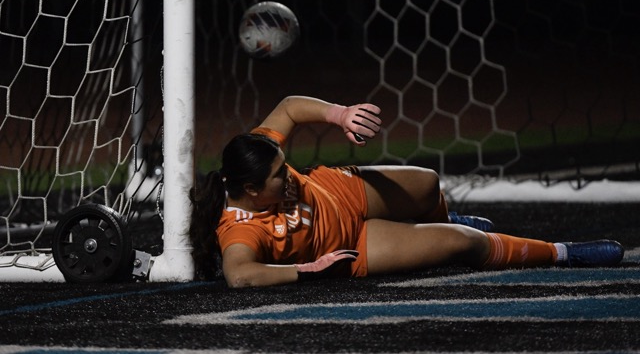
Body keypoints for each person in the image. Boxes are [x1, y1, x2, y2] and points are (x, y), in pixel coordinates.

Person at [189, 96, 624, 287]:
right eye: (278, 177)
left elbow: (288, 107)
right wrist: (309, 270)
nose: (287, 176)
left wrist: (341, 115)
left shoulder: (255, 154)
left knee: (430, 182)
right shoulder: (239, 230)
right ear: (250, 189)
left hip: (346, 190)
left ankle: (439, 218)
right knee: (463, 244)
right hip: (354, 247)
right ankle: (564, 251)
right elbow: (240, 274)